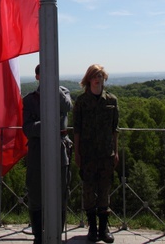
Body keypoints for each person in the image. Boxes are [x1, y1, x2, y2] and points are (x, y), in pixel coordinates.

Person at [22, 64, 73, 244]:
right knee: (36, 193)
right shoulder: (29, 100)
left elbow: (67, 107)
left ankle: (56, 234)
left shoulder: (63, 92)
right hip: (37, 151)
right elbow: (27, 128)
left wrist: (54, 87)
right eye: (43, 75)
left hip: (60, 150)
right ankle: (38, 235)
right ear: (37, 77)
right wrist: (49, 123)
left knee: (61, 192)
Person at [73, 64, 119, 243]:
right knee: (89, 192)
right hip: (88, 154)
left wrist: (115, 151)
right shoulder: (82, 102)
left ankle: (104, 228)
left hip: (106, 153)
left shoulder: (111, 101)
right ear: (88, 79)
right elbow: (77, 130)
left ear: (104, 78)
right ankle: (92, 228)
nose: (97, 79)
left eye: (100, 75)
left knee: (104, 191)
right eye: (94, 76)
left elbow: (115, 129)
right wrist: (77, 153)